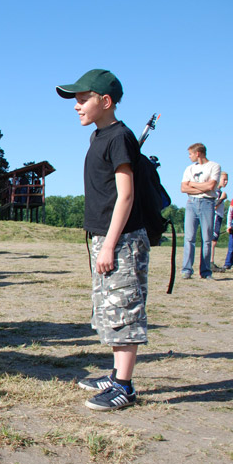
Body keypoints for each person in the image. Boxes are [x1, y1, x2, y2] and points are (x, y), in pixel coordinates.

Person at [57, 69, 148, 411]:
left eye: (83, 99)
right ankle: (115, 374)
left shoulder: (120, 137)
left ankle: (124, 386)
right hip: (106, 239)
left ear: (105, 101)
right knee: (109, 309)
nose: (77, 106)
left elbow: (125, 195)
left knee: (123, 310)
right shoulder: (99, 136)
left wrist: (110, 244)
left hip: (122, 240)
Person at [180, 143, 221, 280]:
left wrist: (192, 184)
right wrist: (201, 188)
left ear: (198, 153)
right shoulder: (189, 168)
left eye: (190, 154)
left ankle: (205, 271)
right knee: (189, 238)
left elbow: (211, 185)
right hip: (191, 203)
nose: (189, 156)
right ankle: (186, 269)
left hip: (207, 203)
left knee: (207, 239)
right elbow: (183, 188)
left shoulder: (214, 166)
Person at [211, 172, 229, 271]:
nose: (226, 182)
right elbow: (214, 206)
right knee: (213, 240)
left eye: (227, 180)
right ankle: (210, 262)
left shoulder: (219, 191)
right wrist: (222, 199)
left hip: (219, 217)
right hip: (215, 217)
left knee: (214, 240)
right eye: (224, 179)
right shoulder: (216, 192)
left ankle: (211, 261)